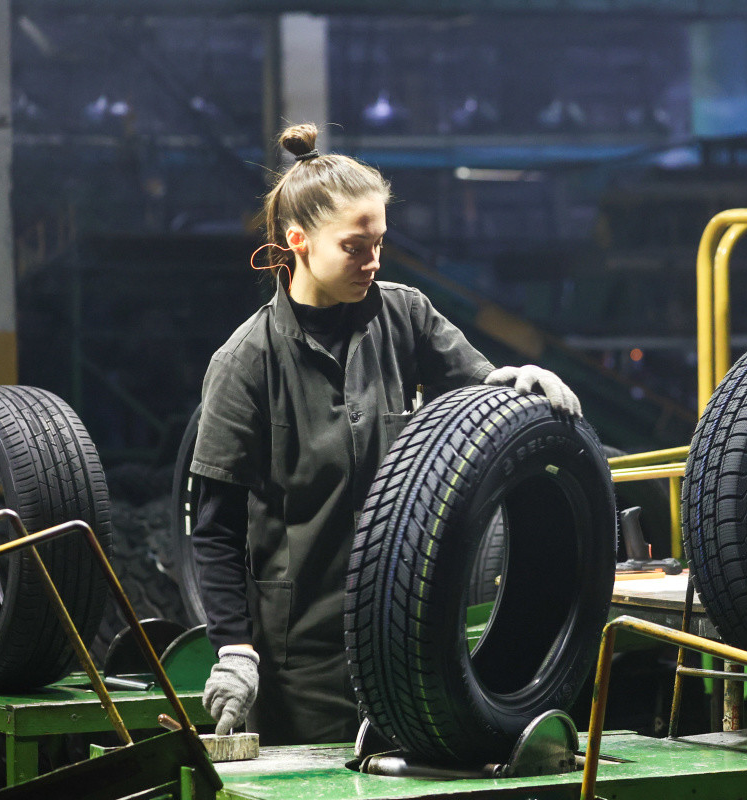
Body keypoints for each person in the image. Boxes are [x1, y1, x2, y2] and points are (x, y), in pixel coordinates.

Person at [190, 123, 581, 746]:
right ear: (299, 242)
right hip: (303, 665)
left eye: (379, 244)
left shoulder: (406, 316)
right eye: (354, 247)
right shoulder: (246, 361)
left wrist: (517, 385)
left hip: (408, 646)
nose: (372, 262)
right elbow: (214, 529)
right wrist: (235, 650)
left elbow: (483, 398)